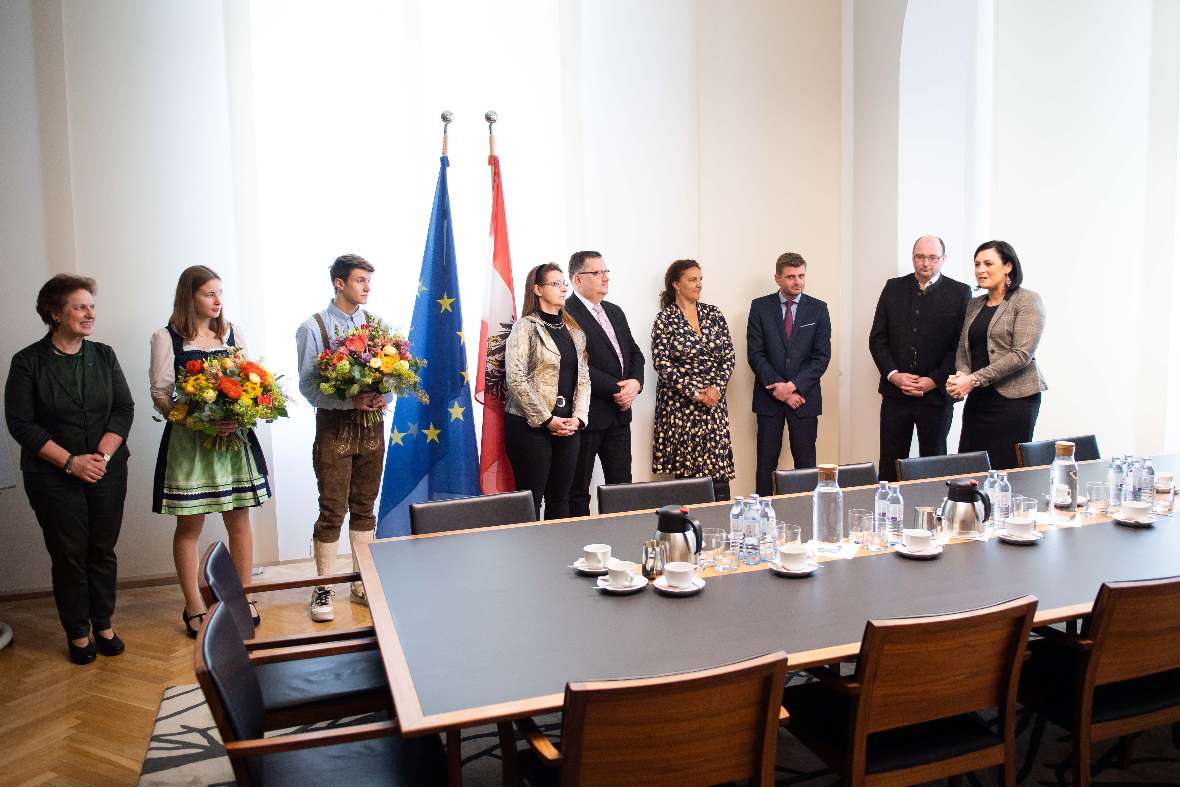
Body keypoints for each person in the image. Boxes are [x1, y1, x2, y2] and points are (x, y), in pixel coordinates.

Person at [5, 275, 133, 664]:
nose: (90, 314)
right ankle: (77, 631)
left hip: (106, 470)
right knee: (69, 554)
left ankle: (103, 622)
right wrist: (71, 462)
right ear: (54, 313)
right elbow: (21, 424)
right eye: (80, 307)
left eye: (91, 306)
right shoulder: (27, 362)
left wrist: (101, 459)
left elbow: (122, 410)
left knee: (102, 549)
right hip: (51, 477)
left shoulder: (104, 355)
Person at [152, 266, 270, 638]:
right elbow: (160, 396)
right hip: (191, 444)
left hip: (232, 441)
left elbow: (254, 381)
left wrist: (240, 415)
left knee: (239, 521)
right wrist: (198, 421)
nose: (218, 302)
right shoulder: (165, 337)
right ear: (190, 298)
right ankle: (194, 604)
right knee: (190, 526)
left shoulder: (232, 333)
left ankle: (242, 596)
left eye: (220, 293)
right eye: (209, 294)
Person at [296, 254, 391, 622]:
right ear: (339, 283)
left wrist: (385, 394)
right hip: (334, 430)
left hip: (371, 430)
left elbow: (396, 377)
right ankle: (323, 586)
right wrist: (348, 398)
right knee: (333, 509)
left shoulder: (377, 326)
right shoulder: (313, 328)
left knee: (365, 507)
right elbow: (308, 386)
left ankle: (360, 581)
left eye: (369, 281)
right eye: (360, 281)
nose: (367, 287)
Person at [868, 236, 971, 482]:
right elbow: (877, 339)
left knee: (934, 464)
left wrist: (933, 380)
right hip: (896, 395)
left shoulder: (960, 292)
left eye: (933, 257)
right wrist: (894, 375)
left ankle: (933, 514)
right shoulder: (893, 288)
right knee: (891, 462)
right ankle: (888, 514)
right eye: (920, 257)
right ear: (913, 257)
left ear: (943, 259)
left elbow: (960, 347)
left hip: (936, 396)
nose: (926, 263)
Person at [946, 240, 1047, 470]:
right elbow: (964, 347)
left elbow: (1021, 354)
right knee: (970, 468)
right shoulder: (973, 304)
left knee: (1006, 471)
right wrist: (961, 377)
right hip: (979, 399)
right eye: (977, 264)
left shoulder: (1028, 300)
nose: (980, 270)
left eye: (988, 263)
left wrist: (972, 380)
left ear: (1008, 266)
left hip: (1015, 401)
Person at [504, 263, 590, 518]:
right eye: (555, 283)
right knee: (531, 499)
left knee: (561, 498)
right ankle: (527, 556)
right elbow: (516, 378)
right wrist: (546, 419)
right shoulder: (525, 327)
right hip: (530, 426)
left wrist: (579, 418)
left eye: (564, 283)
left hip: (568, 425)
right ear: (537, 289)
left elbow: (583, 378)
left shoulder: (574, 331)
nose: (563, 288)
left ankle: (559, 556)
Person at [563, 251, 645, 516]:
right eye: (597, 273)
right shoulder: (567, 313)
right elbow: (578, 365)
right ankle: (580, 547)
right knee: (578, 490)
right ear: (577, 279)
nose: (605, 278)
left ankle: (623, 545)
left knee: (623, 489)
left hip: (620, 416)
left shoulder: (614, 311)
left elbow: (635, 353)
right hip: (588, 416)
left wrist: (635, 384)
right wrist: (618, 389)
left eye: (605, 272)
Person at [746, 253, 832, 496]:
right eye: (791, 277)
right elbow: (756, 354)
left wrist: (793, 386)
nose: (798, 282)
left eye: (801, 276)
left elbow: (821, 357)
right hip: (769, 399)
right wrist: (781, 392)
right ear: (777, 278)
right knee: (765, 464)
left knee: (805, 465)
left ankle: (804, 514)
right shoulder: (759, 307)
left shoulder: (818, 309)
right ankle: (761, 517)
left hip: (804, 399)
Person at [651, 259, 736, 501]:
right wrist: (696, 393)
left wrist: (716, 389)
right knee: (689, 480)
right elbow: (662, 364)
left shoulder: (714, 314)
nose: (699, 284)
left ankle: (721, 525)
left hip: (713, 405)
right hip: (681, 408)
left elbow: (728, 357)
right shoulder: (665, 319)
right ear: (676, 284)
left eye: (700, 279)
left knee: (719, 475)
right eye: (692, 279)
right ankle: (690, 533)